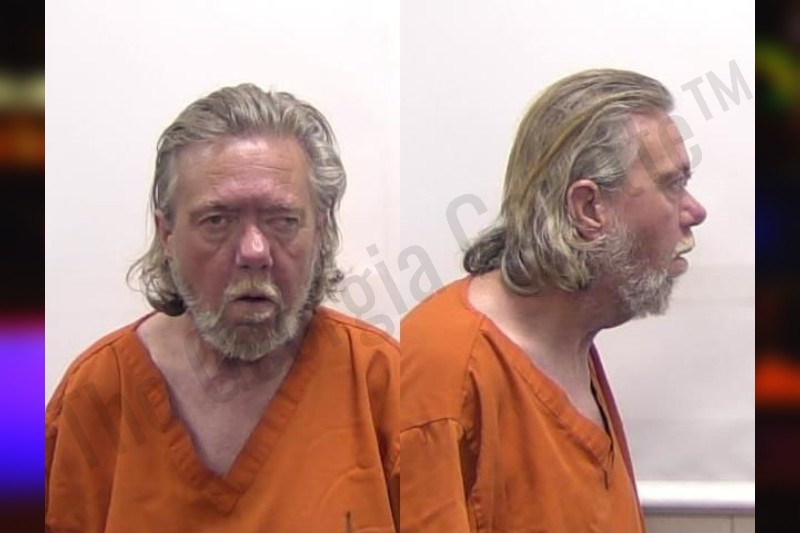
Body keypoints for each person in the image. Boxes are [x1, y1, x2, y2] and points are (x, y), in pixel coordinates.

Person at [46, 84, 399, 532]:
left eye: (282, 220)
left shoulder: (380, 385)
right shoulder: (96, 394)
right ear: (167, 234)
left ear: (321, 230)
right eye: (217, 220)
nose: (254, 251)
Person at [400, 69, 707, 531]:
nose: (695, 211)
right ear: (589, 208)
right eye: (672, 184)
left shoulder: (570, 341)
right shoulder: (446, 371)